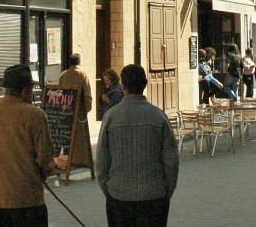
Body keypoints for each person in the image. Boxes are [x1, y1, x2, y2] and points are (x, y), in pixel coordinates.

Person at [0, 65, 67, 227]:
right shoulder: (35, 115)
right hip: (28, 199)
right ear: (25, 91)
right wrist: (56, 165)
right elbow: (44, 160)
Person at [96, 64, 179, 226]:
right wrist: (166, 190)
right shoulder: (158, 116)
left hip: (119, 196)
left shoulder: (111, 117)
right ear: (145, 84)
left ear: (123, 85)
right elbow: (171, 160)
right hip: (154, 196)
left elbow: (101, 160)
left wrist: (109, 189)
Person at [57, 53, 94, 171]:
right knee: (80, 138)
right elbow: (87, 94)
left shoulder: (63, 75)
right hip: (79, 111)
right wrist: (87, 108)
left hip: (65, 111)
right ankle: (79, 160)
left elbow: (59, 92)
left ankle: (67, 158)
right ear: (80, 61)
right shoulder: (83, 74)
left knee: (67, 136)